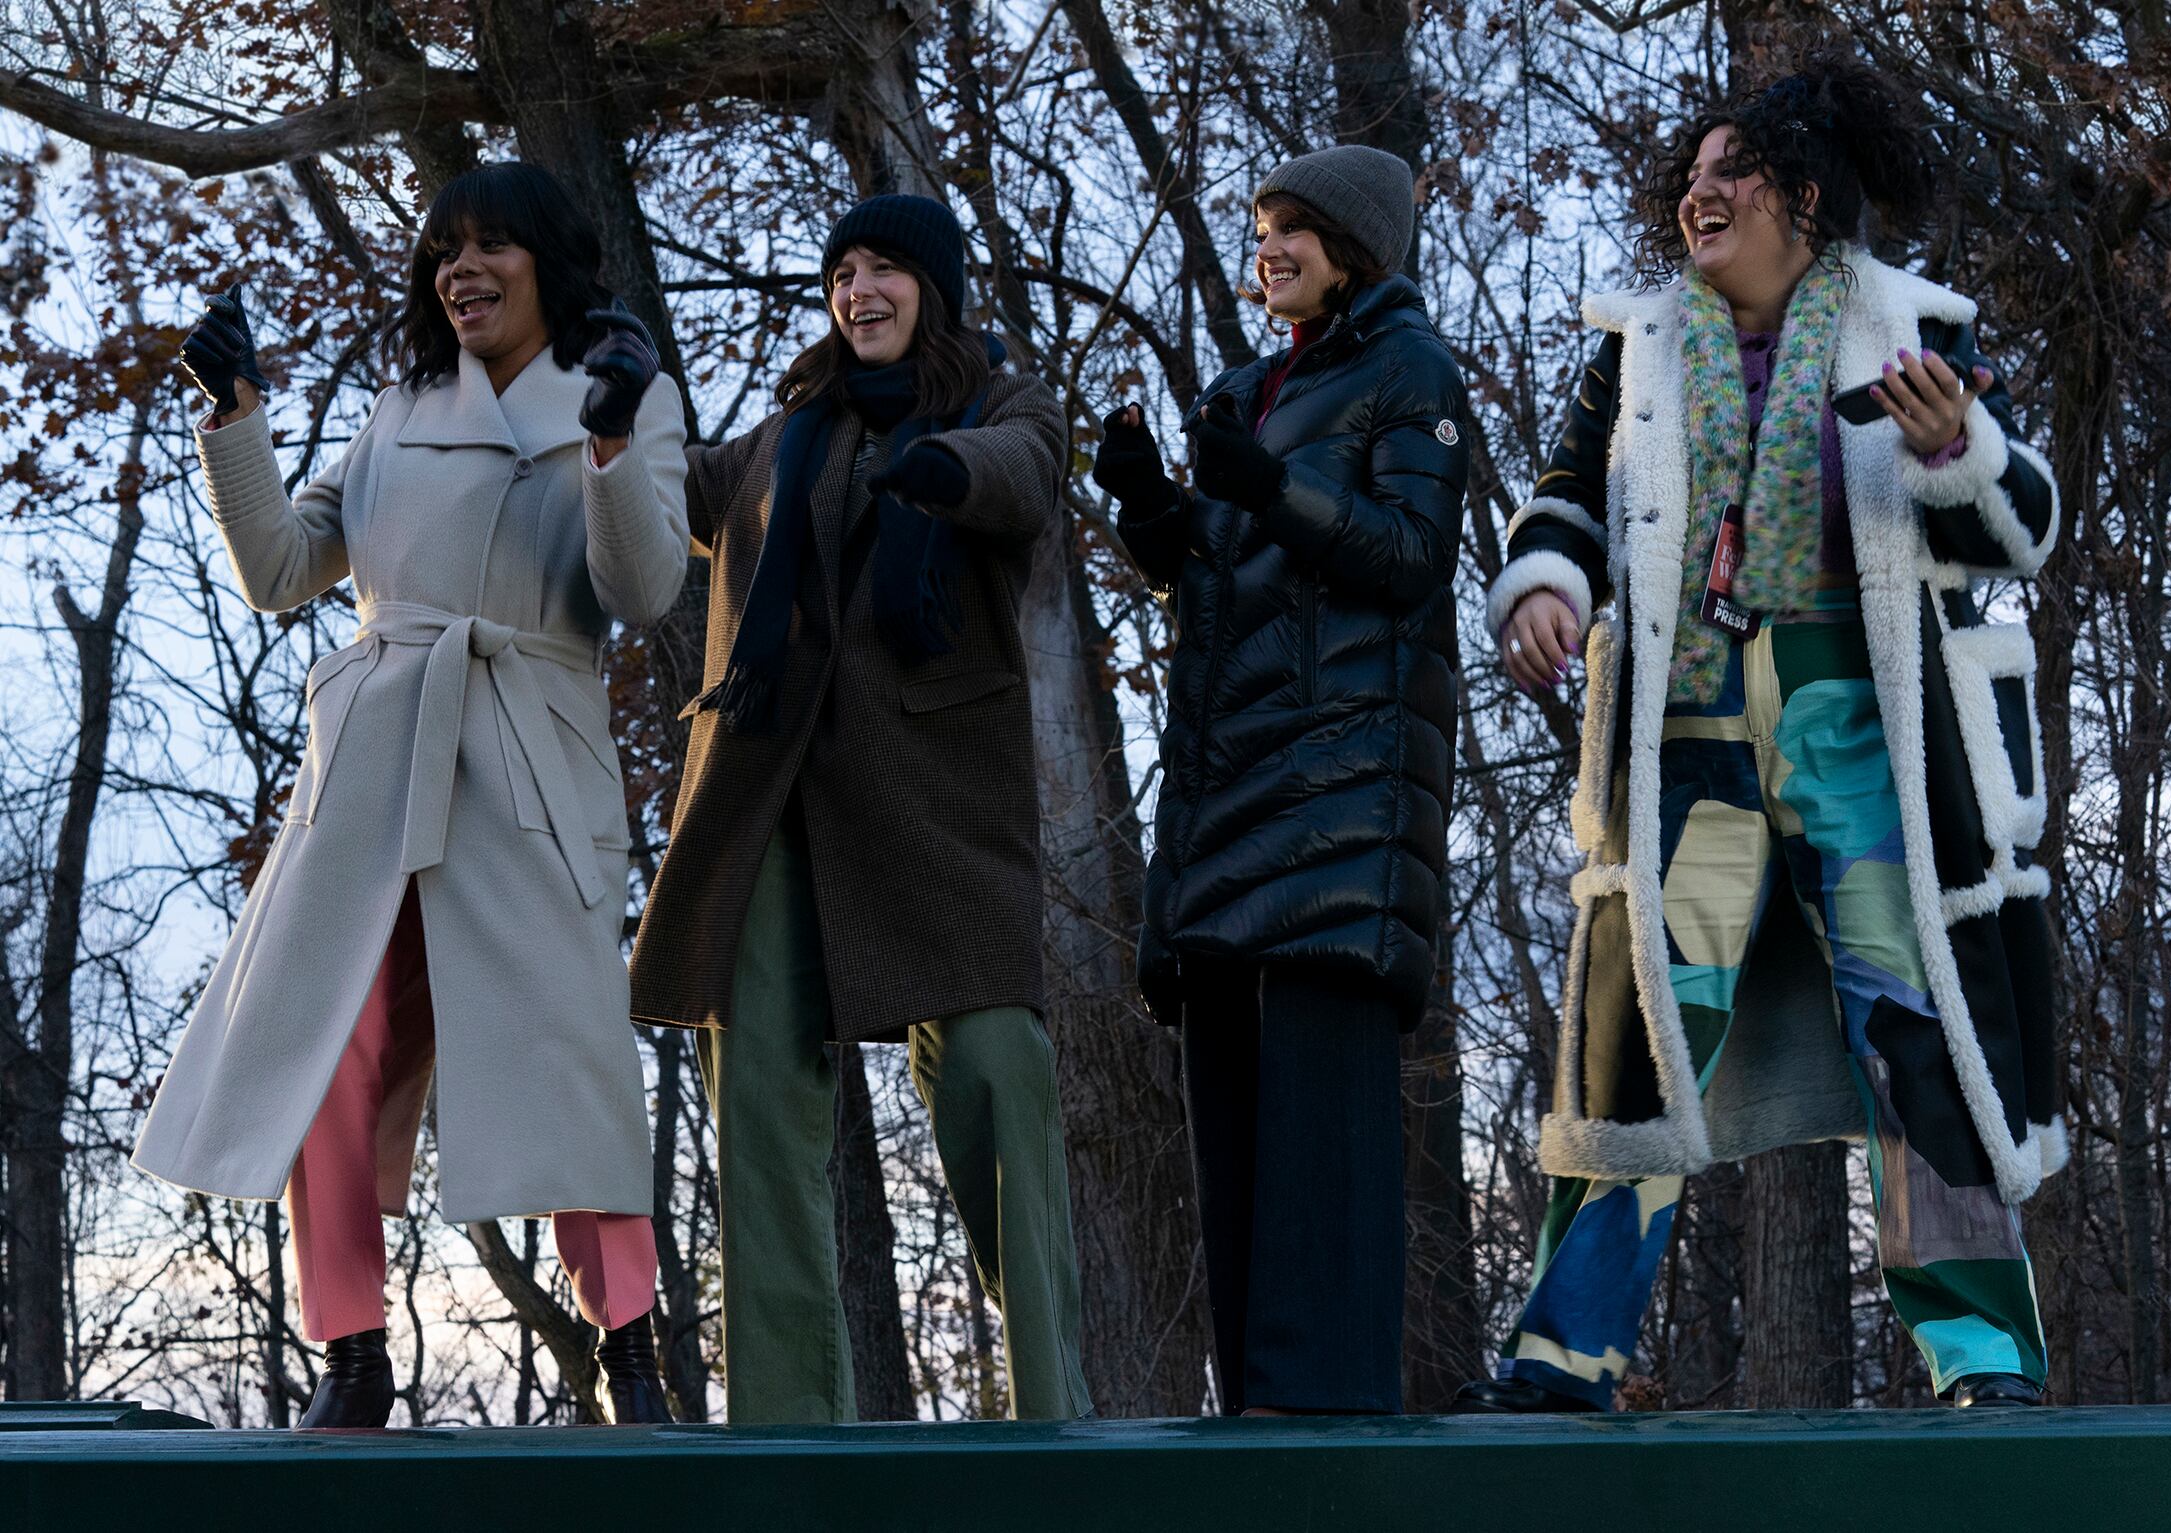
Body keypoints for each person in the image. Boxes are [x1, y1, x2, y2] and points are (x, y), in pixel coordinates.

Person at [1462, 57, 2064, 1414]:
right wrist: (1548, 585)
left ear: (1805, 195)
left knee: (1917, 1022)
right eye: (1690, 177)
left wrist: (1958, 448)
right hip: (1687, 737)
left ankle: (1982, 1356)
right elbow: (1564, 499)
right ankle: (1565, 1356)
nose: (1701, 196)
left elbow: (2019, 523)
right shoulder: (1640, 349)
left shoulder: (1912, 326)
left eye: (1732, 174)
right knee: (1647, 1032)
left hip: (1858, 724)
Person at [135, 162, 691, 1427]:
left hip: (527, 757)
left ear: (548, 261)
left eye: (492, 245)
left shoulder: (623, 396)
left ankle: (630, 1349)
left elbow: (645, 591)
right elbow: (282, 570)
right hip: (378, 759)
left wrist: (607, 439)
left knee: (566, 1056)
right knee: (328, 1049)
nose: (461, 269)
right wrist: (234, 416)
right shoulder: (400, 405)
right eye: (444, 248)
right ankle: (352, 1355)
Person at [626, 194, 1091, 1424]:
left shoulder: (1004, 402)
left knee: (999, 1067)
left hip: (940, 799)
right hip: (766, 796)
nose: (858, 290)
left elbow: (1024, 474)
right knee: (762, 1107)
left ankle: (1051, 1416)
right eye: (840, 271)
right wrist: (619, 410)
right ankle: (786, 1434)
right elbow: (663, 501)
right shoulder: (788, 433)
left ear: (930, 288)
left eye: (884, 268)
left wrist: (944, 465)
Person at [1091, 145, 1470, 1416]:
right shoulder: (1247, 388)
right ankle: (1253, 1435)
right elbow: (1226, 570)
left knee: (1323, 1182)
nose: (1270, 247)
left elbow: (1409, 554)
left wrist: (1266, 485)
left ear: (1354, 246)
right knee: (1237, 1181)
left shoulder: (1411, 370)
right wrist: (1156, 508)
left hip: (1336, 814)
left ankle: (1330, 1449)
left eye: (1294, 228)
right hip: (1219, 815)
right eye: (1260, 227)